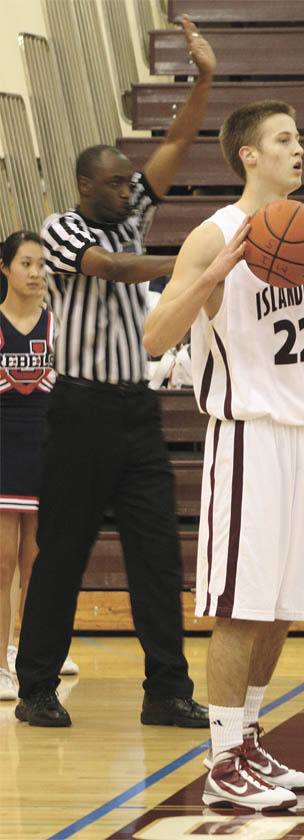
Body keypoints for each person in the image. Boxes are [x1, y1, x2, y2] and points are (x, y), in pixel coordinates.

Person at [143, 100, 304, 811]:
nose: (300, 148)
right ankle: (222, 763)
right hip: (249, 435)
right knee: (241, 607)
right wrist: (211, 274)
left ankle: (247, 737)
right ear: (248, 155)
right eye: (285, 139)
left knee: (281, 608)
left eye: (300, 138)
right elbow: (155, 338)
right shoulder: (213, 234)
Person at [15, 15, 215, 728]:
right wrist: (194, 262)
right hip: (78, 412)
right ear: (82, 185)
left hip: (135, 412)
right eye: (113, 183)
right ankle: (36, 685)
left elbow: (179, 142)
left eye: (128, 181)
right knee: (63, 552)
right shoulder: (64, 229)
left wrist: (205, 79)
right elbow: (116, 269)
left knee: (157, 555)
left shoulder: (129, 212)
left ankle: (166, 690)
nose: (128, 189)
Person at [0, 232, 77, 702]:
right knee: (3, 560)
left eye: (40, 265)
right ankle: (0, 661)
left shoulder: (57, 325)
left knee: (38, 561)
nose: (35, 272)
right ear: (5, 268)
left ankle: (30, 650)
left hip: (47, 447)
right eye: (25, 263)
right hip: (3, 447)